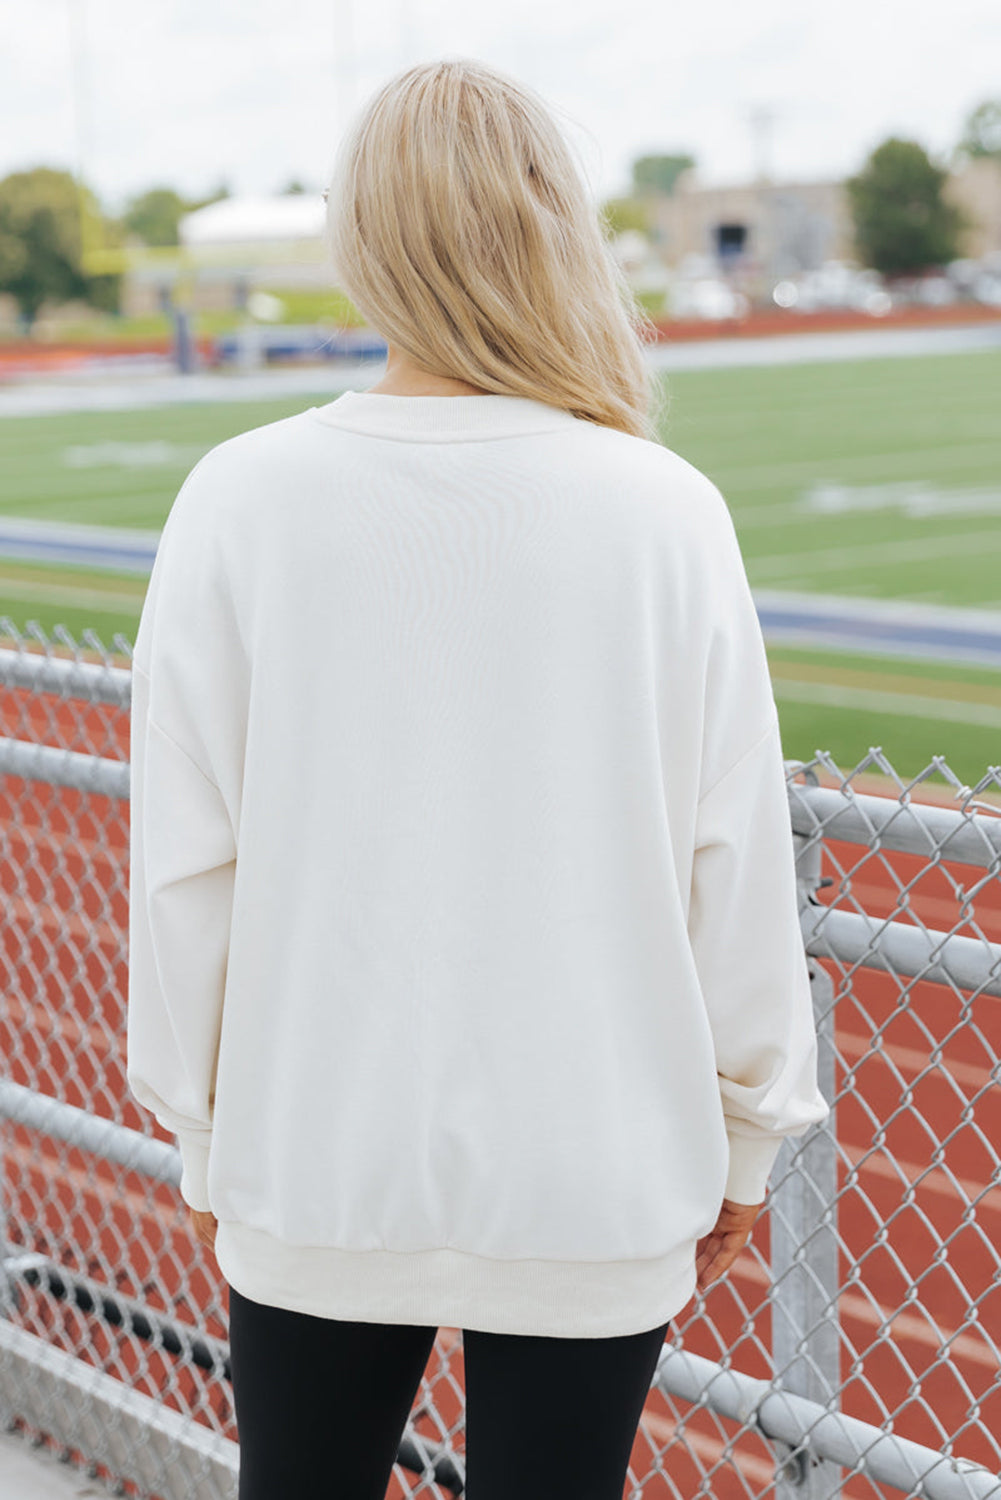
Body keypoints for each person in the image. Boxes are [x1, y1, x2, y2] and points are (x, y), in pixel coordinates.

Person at [126, 56, 830, 1500]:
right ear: (552, 229)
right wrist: (749, 1134)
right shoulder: (661, 511)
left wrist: (207, 1137)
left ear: (360, 240)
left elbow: (185, 866)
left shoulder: (238, 502)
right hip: (597, 1165)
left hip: (315, 1151)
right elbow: (733, 860)